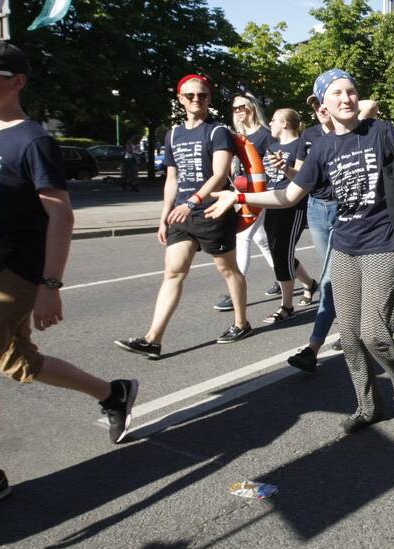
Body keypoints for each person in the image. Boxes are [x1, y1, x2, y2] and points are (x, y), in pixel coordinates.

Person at [207, 69, 394, 431]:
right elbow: (289, 195)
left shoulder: (380, 132)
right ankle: (367, 405)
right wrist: (239, 195)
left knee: (374, 332)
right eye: (336, 93)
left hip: (383, 243)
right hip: (345, 246)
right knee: (349, 336)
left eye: (351, 91)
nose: (346, 98)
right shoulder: (321, 147)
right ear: (324, 104)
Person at [0, 40, 137, 520]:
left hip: (9, 274)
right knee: (19, 362)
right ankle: (112, 393)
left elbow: (60, 217)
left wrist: (49, 286)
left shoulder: (34, 140)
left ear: (16, 82)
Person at [114, 74, 251, 360]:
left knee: (228, 270)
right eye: (190, 96)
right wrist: (165, 215)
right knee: (174, 272)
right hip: (182, 213)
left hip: (213, 210)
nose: (196, 100)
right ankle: (153, 338)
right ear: (180, 99)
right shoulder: (173, 134)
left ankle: (241, 323)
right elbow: (172, 179)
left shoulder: (217, 132)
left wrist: (193, 201)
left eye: (202, 95)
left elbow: (219, 173)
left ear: (209, 99)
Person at [286, 95, 379, 374]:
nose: (319, 109)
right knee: (339, 277)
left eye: (322, 102)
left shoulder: (356, 128)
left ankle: (313, 348)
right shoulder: (310, 136)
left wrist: (342, 107)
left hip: (344, 211)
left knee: (329, 278)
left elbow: (370, 104)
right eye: (315, 105)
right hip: (316, 209)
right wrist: (285, 170)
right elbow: (301, 179)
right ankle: (352, 328)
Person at [213, 93, 278, 312]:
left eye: (243, 107)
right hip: (240, 192)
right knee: (262, 239)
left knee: (243, 236)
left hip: (261, 193)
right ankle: (295, 279)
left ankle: (235, 291)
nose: (239, 111)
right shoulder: (235, 136)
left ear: (253, 108)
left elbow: (273, 166)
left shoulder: (265, 135)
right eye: (235, 109)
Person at [260, 108, 318, 322]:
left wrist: (285, 167)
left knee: (281, 252)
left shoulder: (300, 144)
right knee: (278, 251)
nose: (270, 124)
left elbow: (302, 177)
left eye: (273, 120)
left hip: (292, 206)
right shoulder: (271, 146)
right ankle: (310, 283)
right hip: (272, 204)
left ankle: (286, 306)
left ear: (284, 123)